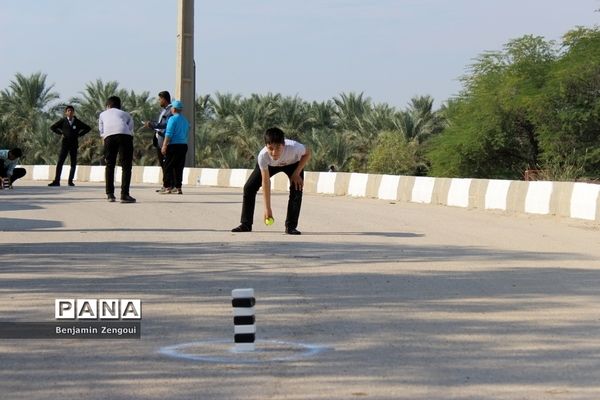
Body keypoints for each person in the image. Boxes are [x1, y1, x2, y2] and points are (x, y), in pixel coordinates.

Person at [232, 127, 311, 235]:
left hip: (293, 165)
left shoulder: (295, 147)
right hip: (270, 165)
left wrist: (297, 173)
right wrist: (267, 209)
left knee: (297, 189)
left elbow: (308, 153)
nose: (274, 152)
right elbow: (266, 183)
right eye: (270, 148)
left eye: (278, 148)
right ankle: (246, 224)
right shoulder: (263, 156)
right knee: (249, 188)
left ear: (284, 144)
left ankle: (291, 226)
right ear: (266, 146)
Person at [98, 96, 136, 203]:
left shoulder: (102, 114)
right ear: (119, 106)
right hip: (125, 136)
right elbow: (130, 128)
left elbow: (101, 131)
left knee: (110, 165)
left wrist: (105, 139)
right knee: (126, 166)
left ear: (108, 105)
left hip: (109, 137)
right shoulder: (125, 114)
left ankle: (110, 194)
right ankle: (125, 195)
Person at [48, 105, 91, 186]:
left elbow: (88, 128)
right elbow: (53, 127)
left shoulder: (77, 122)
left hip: (74, 144)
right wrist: (61, 133)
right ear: (66, 112)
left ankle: (70, 181)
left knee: (73, 163)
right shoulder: (63, 121)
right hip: (65, 144)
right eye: (68, 111)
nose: (70, 112)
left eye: (71, 110)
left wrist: (79, 134)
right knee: (60, 162)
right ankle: (56, 181)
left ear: (73, 112)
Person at [144, 91, 172, 192]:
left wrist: (152, 125)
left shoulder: (170, 111)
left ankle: (168, 185)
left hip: (164, 140)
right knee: (163, 164)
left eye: (160, 99)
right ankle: (166, 185)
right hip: (159, 140)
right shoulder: (164, 110)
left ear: (164, 99)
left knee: (166, 164)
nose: (159, 101)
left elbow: (166, 125)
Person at [160, 100, 188, 195]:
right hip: (183, 145)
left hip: (173, 146)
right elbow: (186, 133)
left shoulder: (172, 119)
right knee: (179, 167)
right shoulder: (185, 120)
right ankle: (178, 187)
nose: (171, 109)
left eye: (171, 108)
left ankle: (168, 187)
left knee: (168, 166)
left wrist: (164, 145)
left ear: (174, 109)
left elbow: (168, 134)